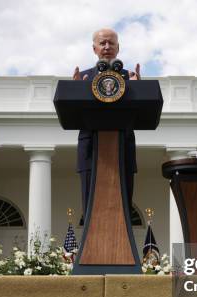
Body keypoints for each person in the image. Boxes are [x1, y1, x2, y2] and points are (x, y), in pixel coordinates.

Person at [73, 28, 141, 218]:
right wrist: (76, 92)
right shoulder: (83, 78)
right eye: (102, 43)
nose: (107, 47)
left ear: (118, 48)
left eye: (111, 43)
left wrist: (139, 89)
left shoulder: (131, 78)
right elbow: (72, 113)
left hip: (123, 150)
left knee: (123, 210)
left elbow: (142, 112)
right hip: (90, 151)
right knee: (90, 209)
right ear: (94, 48)